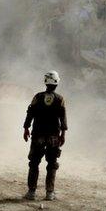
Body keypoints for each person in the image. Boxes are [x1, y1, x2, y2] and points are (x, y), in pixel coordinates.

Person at [22, 70, 67, 201]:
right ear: (57, 83)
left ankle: (31, 192)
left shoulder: (38, 97)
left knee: (34, 162)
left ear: (45, 82)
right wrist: (63, 134)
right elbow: (63, 118)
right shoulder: (60, 99)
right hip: (53, 137)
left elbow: (30, 114)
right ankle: (50, 193)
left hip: (38, 136)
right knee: (52, 163)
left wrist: (26, 129)